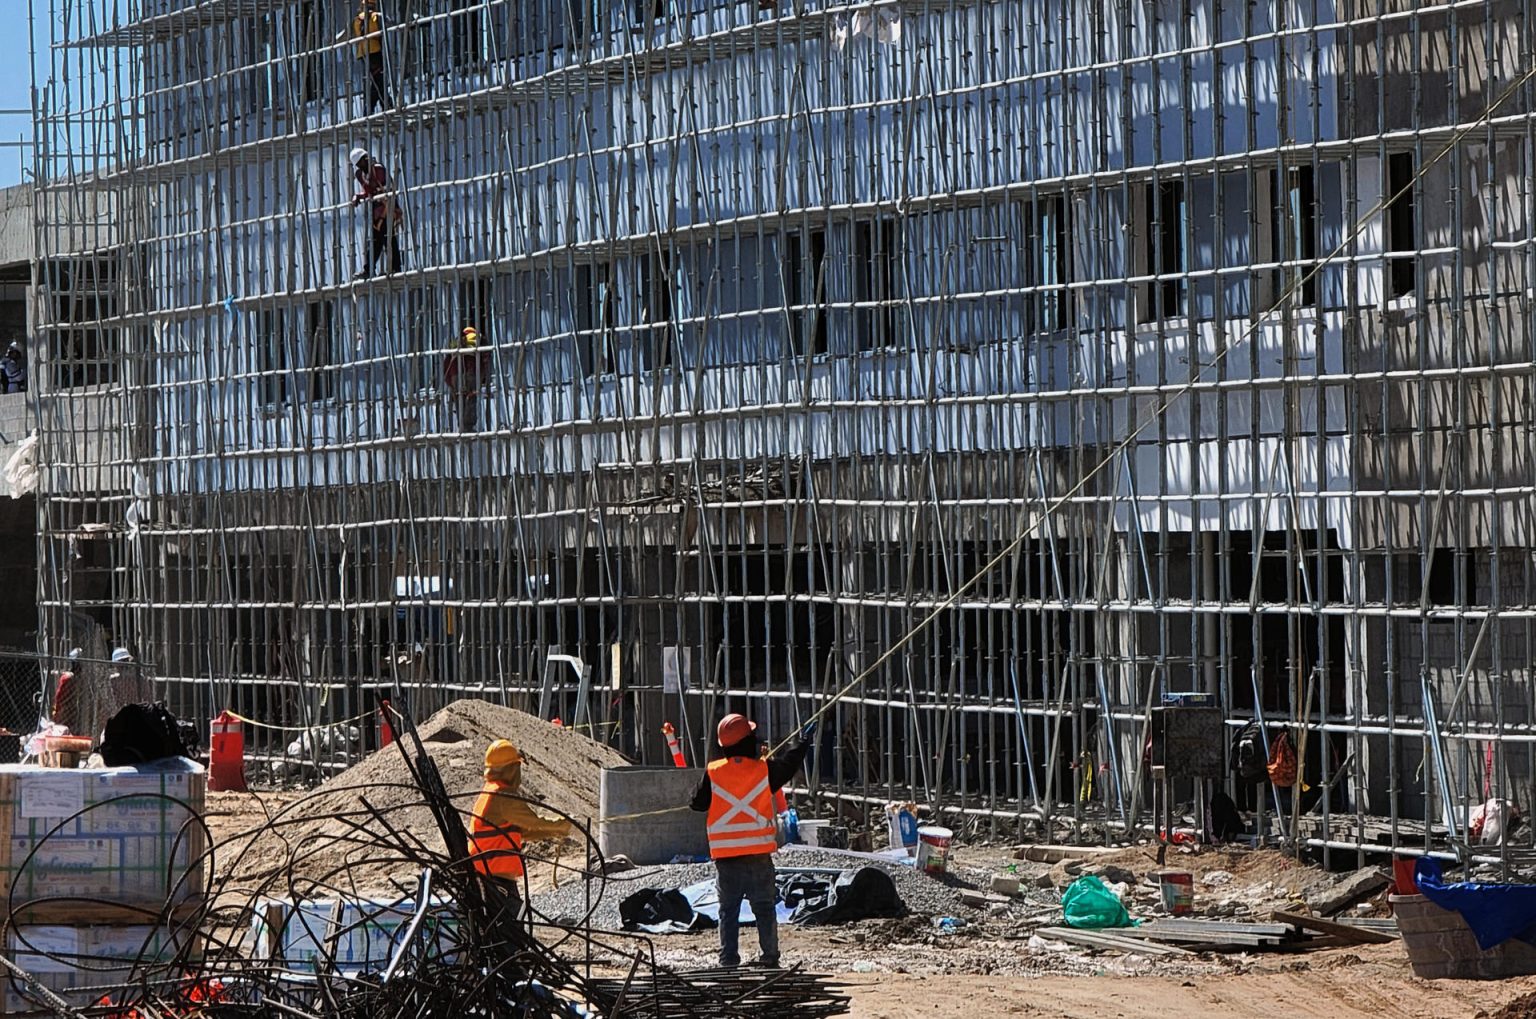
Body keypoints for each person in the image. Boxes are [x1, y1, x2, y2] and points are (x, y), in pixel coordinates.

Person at [689, 713, 812, 969]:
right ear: (749, 741)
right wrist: (801, 744)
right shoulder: (763, 770)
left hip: (727, 858)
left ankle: (728, 960)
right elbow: (789, 765)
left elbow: (697, 803)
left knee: (728, 911)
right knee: (765, 908)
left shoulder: (714, 772)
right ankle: (769, 957)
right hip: (757, 854)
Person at [467, 740, 572, 921]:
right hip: (494, 878)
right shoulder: (503, 795)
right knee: (510, 933)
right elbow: (533, 821)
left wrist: (554, 832)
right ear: (511, 769)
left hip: (487, 875)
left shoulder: (490, 792)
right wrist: (563, 825)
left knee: (504, 930)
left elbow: (519, 832)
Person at [350, 148, 403, 277]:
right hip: (377, 211)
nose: (367, 161)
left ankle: (395, 268)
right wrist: (359, 196)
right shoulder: (362, 175)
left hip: (387, 207)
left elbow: (388, 188)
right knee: (376, 241)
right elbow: (370, 192)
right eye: (363, 160)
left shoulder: (378, 170)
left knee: (387, 238)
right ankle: (369, 269)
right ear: (358, 164)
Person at [443, 326, 491, 431]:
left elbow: (446, 365)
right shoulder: (479, 340)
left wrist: (450, 383)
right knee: (472, 396)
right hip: (471, 371)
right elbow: (485, 360)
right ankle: (469, 427)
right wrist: (481, 378)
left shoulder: (455, 345)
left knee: (459, 397)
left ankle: (462, 427)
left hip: (455, 373)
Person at [351, 0, 391, 112]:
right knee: (378, 81)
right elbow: (388, 23)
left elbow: (348, 34)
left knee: (376, 81)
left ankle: (376, 107)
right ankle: (381, 106)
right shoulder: (374, 17)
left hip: (363, 54)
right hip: (374, 52)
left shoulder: (357, 20)